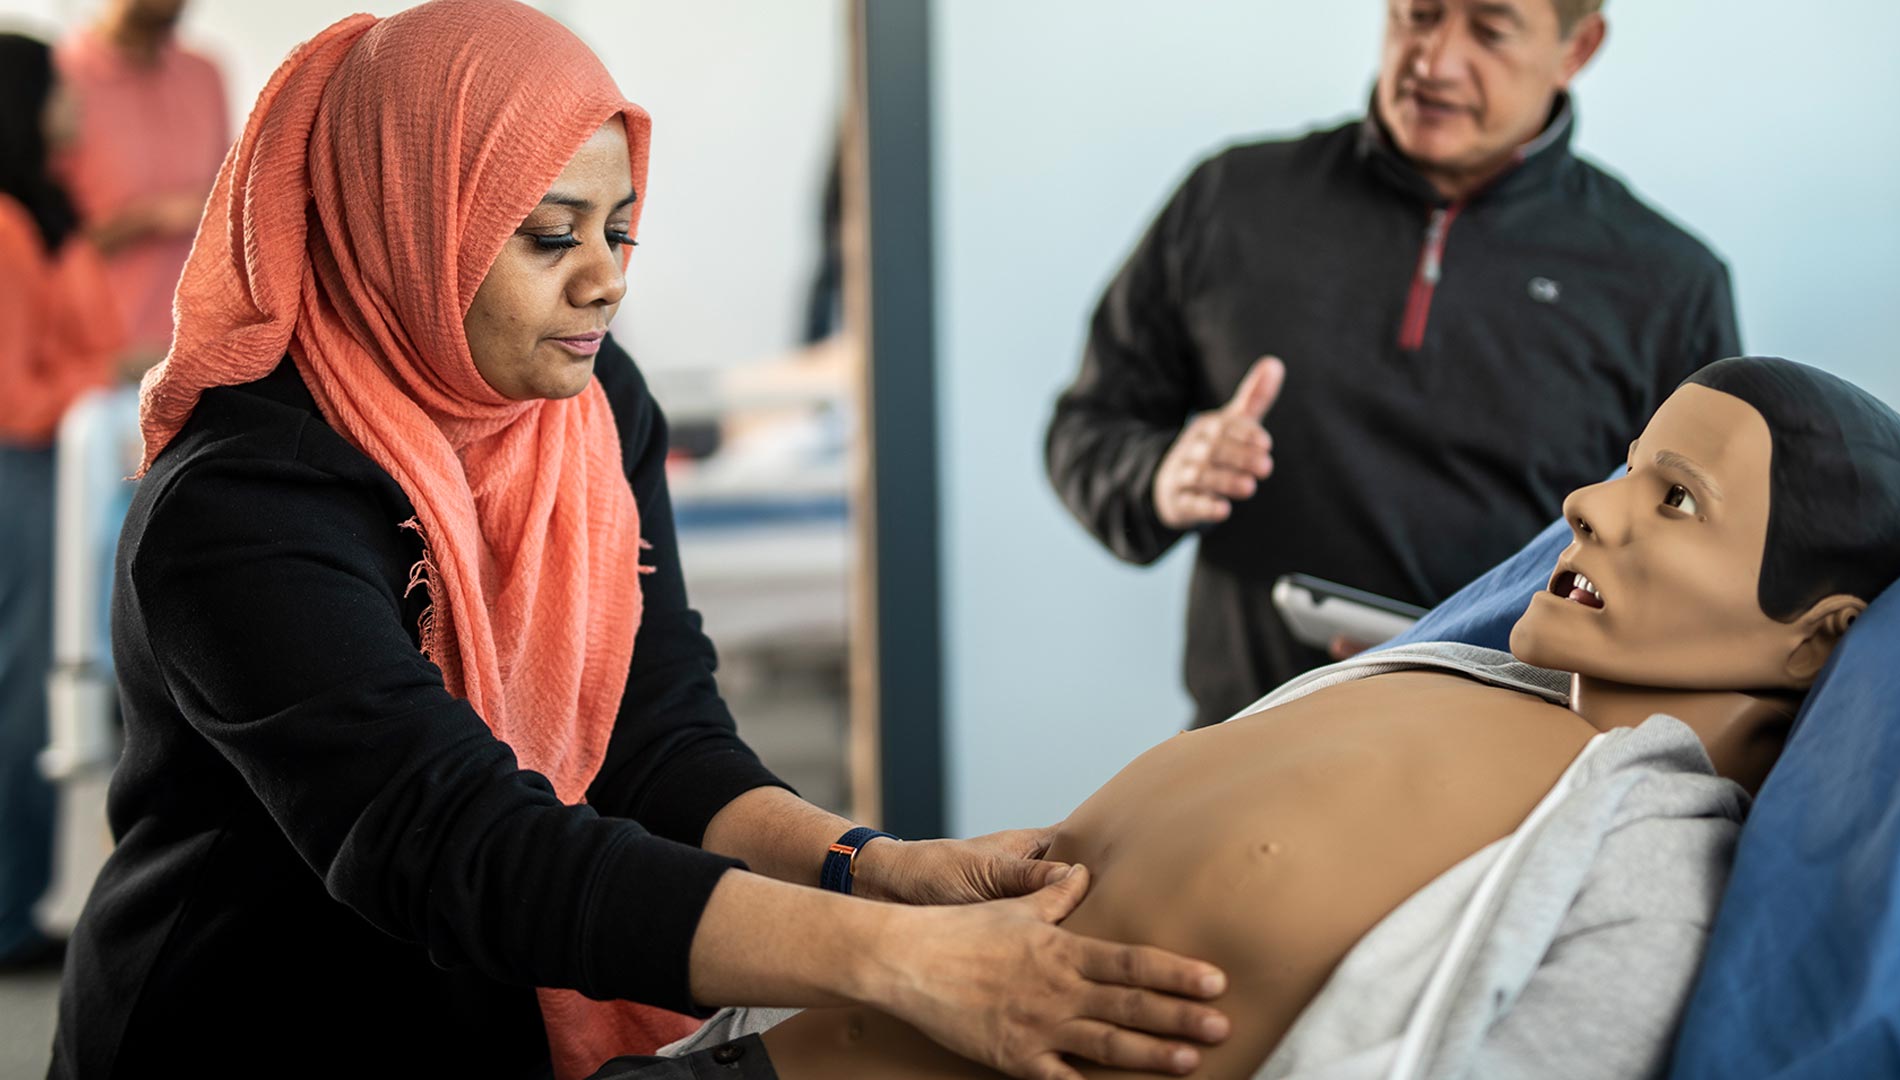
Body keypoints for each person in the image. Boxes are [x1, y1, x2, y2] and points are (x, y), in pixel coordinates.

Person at [48, 4, 1233, 1080]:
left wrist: (874, 866)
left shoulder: (589, 407)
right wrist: (897, 957)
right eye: (551, 237)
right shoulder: (238, 506)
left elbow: (656, 739)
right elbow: (452, 841)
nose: (605, 282)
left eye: (621, 230)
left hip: (483, 1012)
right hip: (242, 1026)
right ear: (411, 224)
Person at [682, 356, 1900, 1078]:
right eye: (1627, 463)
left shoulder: (1649, 874)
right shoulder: (1450, 676)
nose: (1587, 503)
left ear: (1822, 634)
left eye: (1679, 500)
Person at [1045, 0, 1743, 726]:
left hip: (1514, 775)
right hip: (1241, 743)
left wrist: (1472, 658)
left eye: (1490, 30)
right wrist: (1159, 477)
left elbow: (1705, 578)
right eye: (1418, 15)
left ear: (1578, 48)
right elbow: (1088, 425)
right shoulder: (1230, 200)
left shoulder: (1667, 285)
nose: (1432, 62)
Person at [0, 32, 126, 971]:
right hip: (23, 474)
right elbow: (12, 395)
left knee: (43, 688)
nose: (76, 101)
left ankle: (18, 906)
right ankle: (5, 917)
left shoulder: (45, 207)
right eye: (60, 88)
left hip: (62, 473)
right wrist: (113, 369)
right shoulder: (3, 224)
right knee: (22, 691)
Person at [55, 0, 228, 373]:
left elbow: (227, 209)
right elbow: (38, 250)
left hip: (198, 355)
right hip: (97, 368)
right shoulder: (59, 77)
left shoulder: (205, 75)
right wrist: (147, 219)